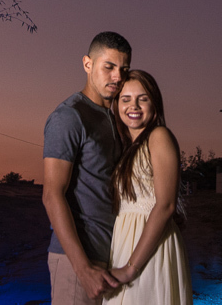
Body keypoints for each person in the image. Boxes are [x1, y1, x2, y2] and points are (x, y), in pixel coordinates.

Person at [43, 31, 132, 304]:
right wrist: (82, 269)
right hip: (78, 261)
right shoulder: (69, 116)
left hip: (113, 258)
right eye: (109, 67)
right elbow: (52, 194)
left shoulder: (118, 118)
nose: (117, 77)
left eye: (124, 69)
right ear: (87, 64)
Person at [105, 70, 192, 304]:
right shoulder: (127, 149)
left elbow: (165, 205)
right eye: (125, 99)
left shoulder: (159, 136)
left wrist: (131, 268)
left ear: (155, 102)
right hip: (126, 245)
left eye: (142, 98)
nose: (133, 106)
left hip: (149, 248)